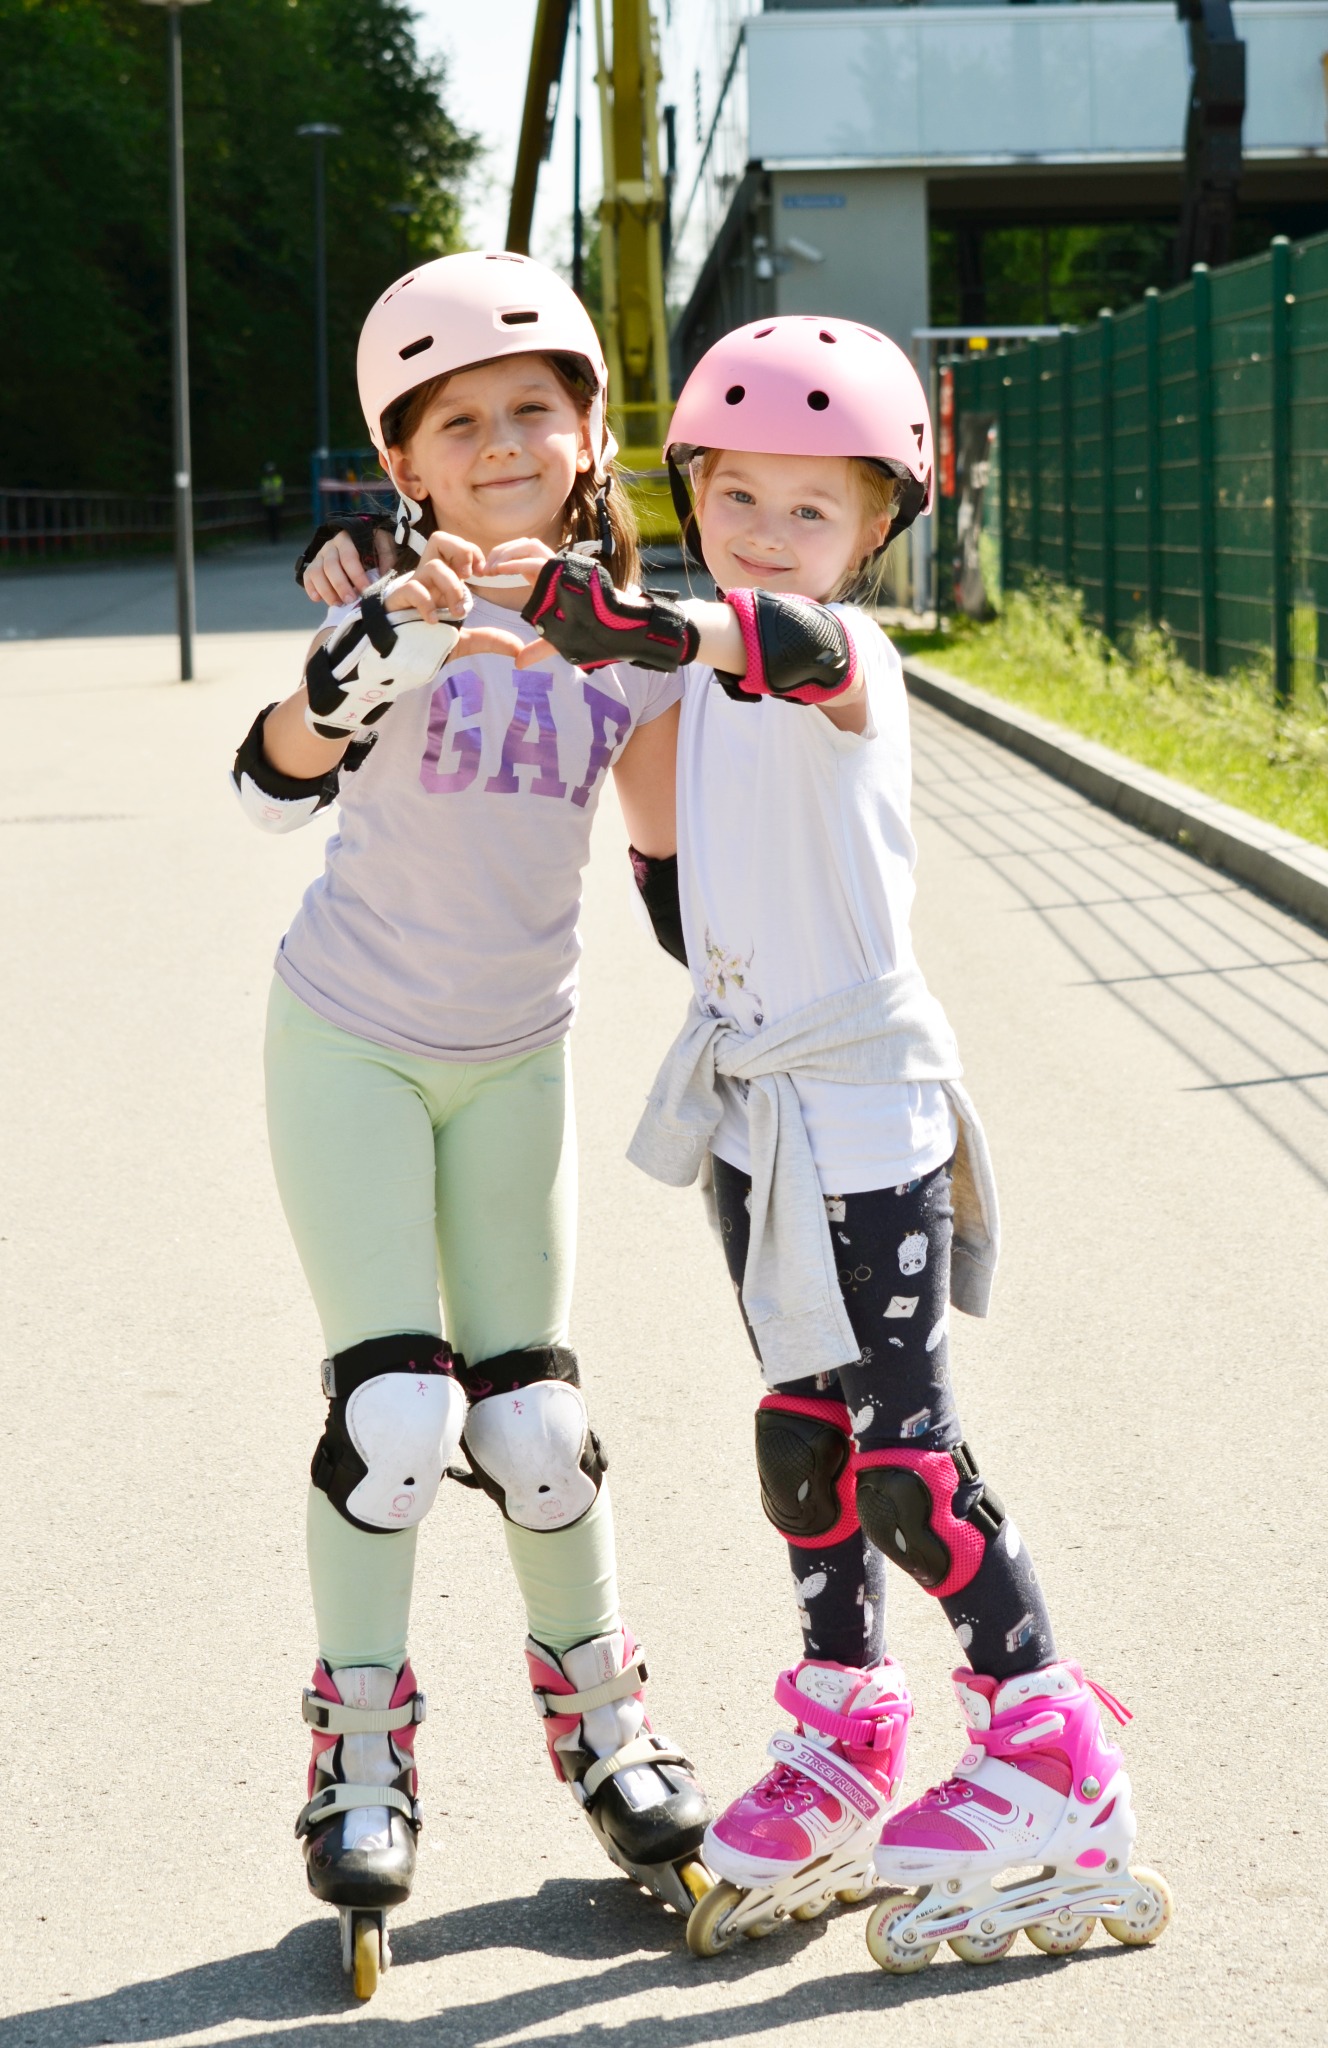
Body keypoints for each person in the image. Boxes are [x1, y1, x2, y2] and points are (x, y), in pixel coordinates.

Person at [515, 315, 1174, 1971]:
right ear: (693, 493)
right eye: (737, 497)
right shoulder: (690, 671)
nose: (766, 532)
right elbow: (675, 883)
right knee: (804, 1440)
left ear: (874, 531)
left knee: (903, 1457)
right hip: (755, 1095)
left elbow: (783, 643)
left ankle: (1048, 1750)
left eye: (812, 509)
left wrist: (659, 620)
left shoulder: (836, 659)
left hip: (861, 1104)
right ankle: (844, 1727)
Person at [230, 252, 709, 1999]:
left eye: (536, 407)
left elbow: (675, 874)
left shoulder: (631, 650)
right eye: (461, 421)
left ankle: (608, 1721)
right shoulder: (390, 595)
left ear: (591, 435)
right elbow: (267, 778)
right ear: (407, 461)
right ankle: (356, 1747)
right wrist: (360, 657)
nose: (503, 439)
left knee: (543, 1429)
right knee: (397, 1411)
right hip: (349, 1038)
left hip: (520, 1056)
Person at [260, 460, 284, 544]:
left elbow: (280, 490)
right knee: (270, 521)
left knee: (276, 520)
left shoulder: (278, 479)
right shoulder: (265, 480)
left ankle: (276, 536)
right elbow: (263, 491)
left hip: (277, 503)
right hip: (268, 503)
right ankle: (272, 536)